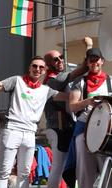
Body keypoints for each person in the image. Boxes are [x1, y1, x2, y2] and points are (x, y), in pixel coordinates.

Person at [0, 56, 67, 188]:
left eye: (41, 67)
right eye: (35, 66)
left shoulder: (45, 90)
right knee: (4, 172)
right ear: (29, 67)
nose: (37, 69)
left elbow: (70, 97)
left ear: (44, 71)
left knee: (25, 173)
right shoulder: (17, 80)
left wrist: (88, 95)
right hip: (12, 130)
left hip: (30, 134)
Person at [65, 47, 112, 188]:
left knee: (107, 170)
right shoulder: (79, 82)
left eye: (97, 59)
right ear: (87, 63)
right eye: (91, 60)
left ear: (103, 61)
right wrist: (88, 102)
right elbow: (72, 106)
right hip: (84, 130)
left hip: (106, 132)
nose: (94, 62)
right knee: (84, 172)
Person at [43, 37, 92, 188]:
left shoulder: (60, 79)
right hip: (59, 128)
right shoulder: (52, 80)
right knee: (58, 166)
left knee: (65, 165)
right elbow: (84, 68)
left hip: (66, 127)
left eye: (61, 57)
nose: (60, 60)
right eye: (55, 59)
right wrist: (89, 46)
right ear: (49, 65)